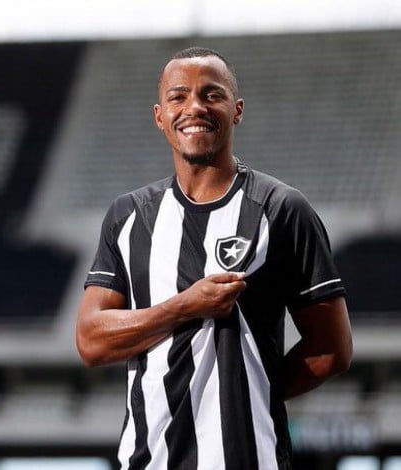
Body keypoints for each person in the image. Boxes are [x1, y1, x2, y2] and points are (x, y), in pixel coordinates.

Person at [75, 47, 352, 470]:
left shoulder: (281, 209)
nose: (195, 107)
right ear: (160, 116)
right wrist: (185, 306)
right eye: (178, 96)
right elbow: (91, 340)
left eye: (211, 94)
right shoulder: (128, 216)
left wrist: (248, 394)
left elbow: (333, 349)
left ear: (236, 110)